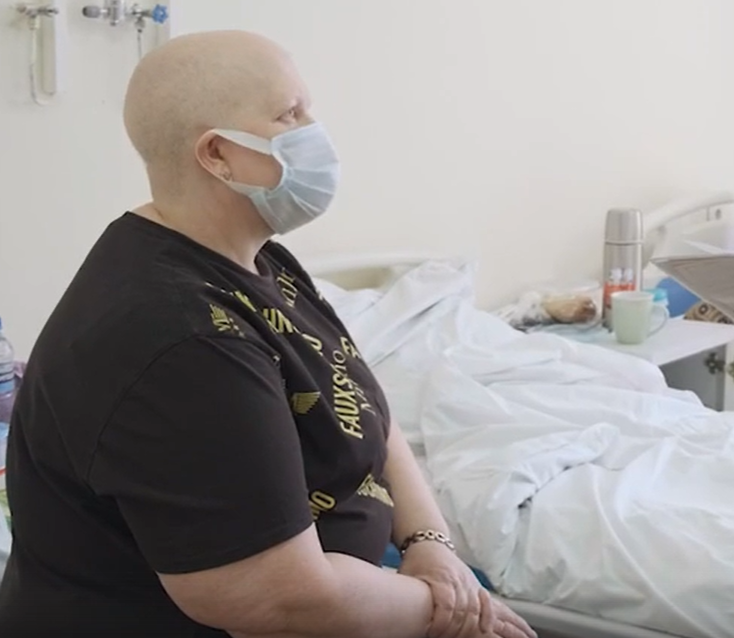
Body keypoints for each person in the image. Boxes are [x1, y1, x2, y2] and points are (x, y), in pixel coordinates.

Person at [0, 31, 534, 638]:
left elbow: (363, 408)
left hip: (357, 591)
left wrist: (430, 543)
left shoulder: (251, 258)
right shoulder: (182, 342)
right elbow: (282, 600)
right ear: (218, 154)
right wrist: (455, 614)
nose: (316, 131)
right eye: (290, 115)